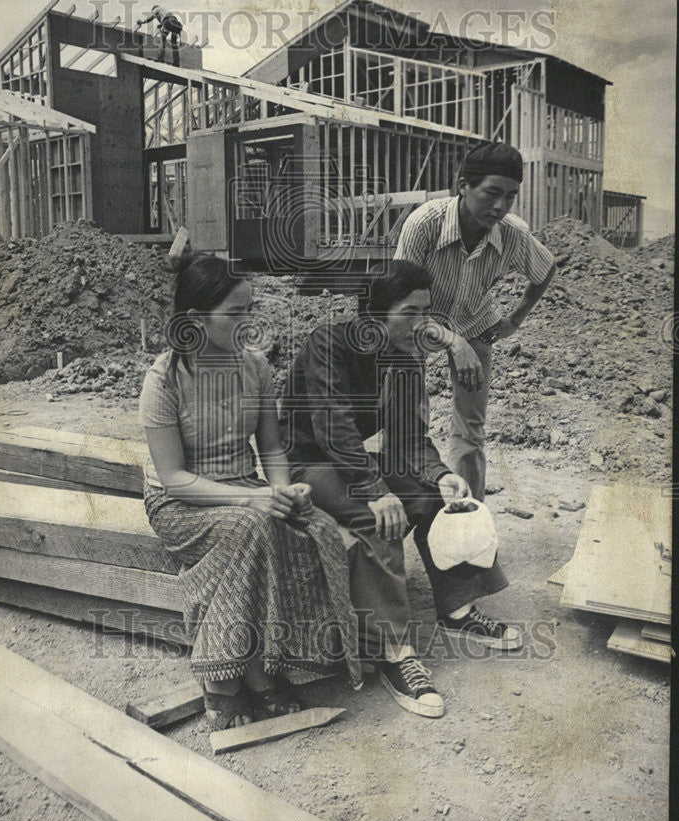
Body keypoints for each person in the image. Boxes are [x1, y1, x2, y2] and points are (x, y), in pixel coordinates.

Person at [279, 260, 520, 720]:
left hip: (346, 461)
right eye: (411, 311)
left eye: (426, 312)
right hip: (304, 461)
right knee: (379, 517)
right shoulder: (328, 342)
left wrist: (439, 475)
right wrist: (373, 489)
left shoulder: (405, 357)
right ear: (374, 316)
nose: (423, 323)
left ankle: (456, 611)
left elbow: (409, 438)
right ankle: (394, 653)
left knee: (434, 499)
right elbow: (334, 427)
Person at [139, 253, 361, 730]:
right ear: (196, 320)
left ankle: (275, 661)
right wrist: (255, 500)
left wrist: (283, 492)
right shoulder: (163, 379)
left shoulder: (255, 367)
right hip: (180, 503)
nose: (248, 322)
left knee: (317, 527)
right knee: (253, 525)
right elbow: (174, 477)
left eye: (249, 309)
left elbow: (273, 450)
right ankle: (226, 680)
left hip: (246, 488)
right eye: (235, 313)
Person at [394, 142, 556, 502]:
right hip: (418, 325)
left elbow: (546, 269)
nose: (500, 207)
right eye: (492, 193)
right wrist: (453, 341)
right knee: (410, 420)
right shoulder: (425, 224)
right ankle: (420, 508)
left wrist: (514, 319)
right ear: (463, 185)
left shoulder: (512, 234)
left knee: (471, 429)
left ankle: (469, 513)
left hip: (476, 321)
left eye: (511, 197)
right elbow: (401, 304)